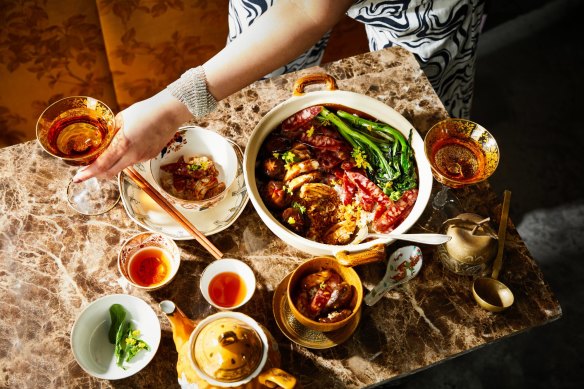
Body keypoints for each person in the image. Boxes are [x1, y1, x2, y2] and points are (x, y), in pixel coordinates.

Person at [74, 0, 485, 184]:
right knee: (253, 98)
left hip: (419, 5)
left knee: (423, 115)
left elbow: (309, 9)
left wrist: (171, 107)